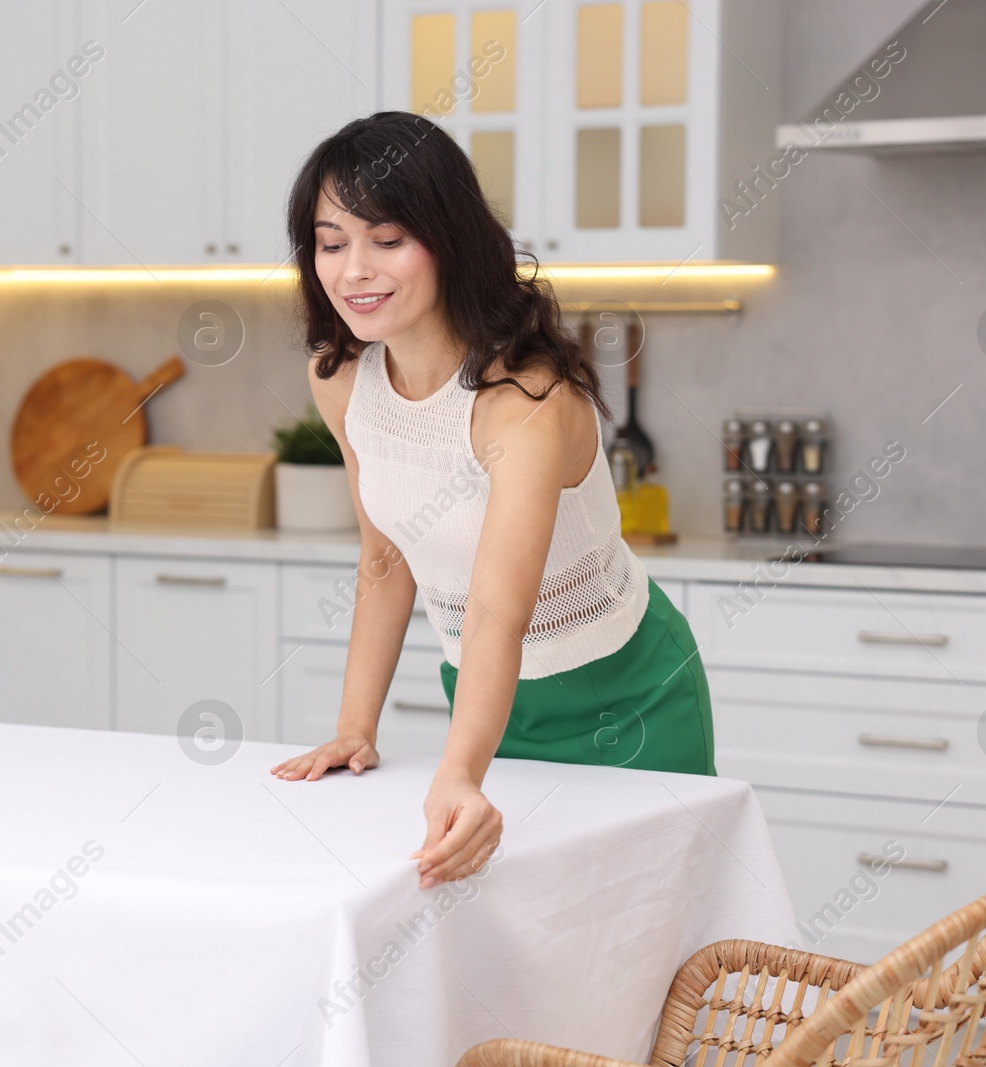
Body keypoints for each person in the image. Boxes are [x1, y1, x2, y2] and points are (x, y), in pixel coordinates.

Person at [269, 111, 714, 890]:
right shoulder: (340, 380)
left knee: (644, 933)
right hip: (487, 693)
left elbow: (498, 609)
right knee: (522, 935)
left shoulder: (523, 401)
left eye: (388, 238)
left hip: (630, 693)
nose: (353, 270)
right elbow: (384, 558)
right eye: (332, 243)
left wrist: (458, 770)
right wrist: (354, 729)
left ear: (449, 240)